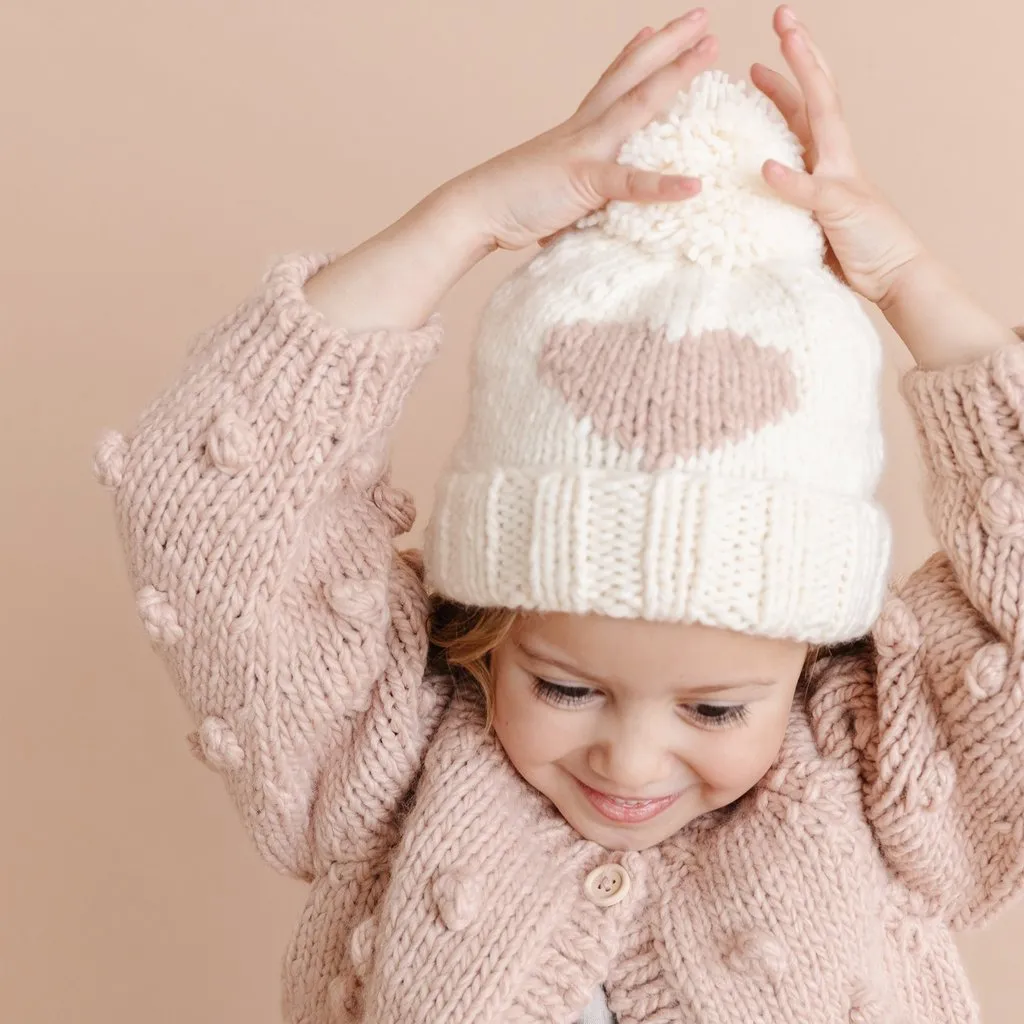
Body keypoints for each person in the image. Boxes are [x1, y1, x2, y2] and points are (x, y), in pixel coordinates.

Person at [94, 5, 1024, 1022]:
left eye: (715, 709)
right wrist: (461, 220)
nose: (627, 760)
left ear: (808, 652)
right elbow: (215, 511)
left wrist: (906, 283)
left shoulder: (882, 763)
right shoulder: (391, 744)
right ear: (488, 636)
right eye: (564, 686)